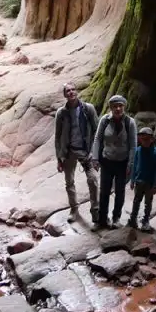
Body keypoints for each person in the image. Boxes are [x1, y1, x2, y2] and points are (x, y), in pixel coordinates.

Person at [53, 82, 99, 223]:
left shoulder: (88, 109)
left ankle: (95, 210)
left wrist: (95, 153)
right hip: (69, 151)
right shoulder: (61, 113)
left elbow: (97, 131)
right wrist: (59, 158)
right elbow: (58, 136)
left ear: (77, 91)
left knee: (93, 180)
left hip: (85, 151)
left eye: (73, 89)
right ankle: (74, 209)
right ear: (65, 94)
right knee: (69, 182)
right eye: (68, 91)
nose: (71, 92)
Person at [90, 94, 137, 229]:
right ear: (110, 107)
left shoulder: (130, 123)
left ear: (124, 107)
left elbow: (133, 145)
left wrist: (131, 164)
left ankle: (116, 218)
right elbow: (98, 139)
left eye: (120, 106)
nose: (117, 109)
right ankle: (102, 219)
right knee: (104, 191)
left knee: (120, 191)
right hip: (107, 161)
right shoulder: (104, 120)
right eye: (115, 106)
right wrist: (95, 157)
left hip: (122, 162)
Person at [127, 126, 156, 232]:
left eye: (147, 139)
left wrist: (155, 185)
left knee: (148, 203)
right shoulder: (138, 150)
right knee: (136, 201)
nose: (144, 141)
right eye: (142, 139)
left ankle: (145, 221)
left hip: (149, 184)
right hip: (138, 181)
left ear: (152, 139)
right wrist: (132, 180)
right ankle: (133, 219)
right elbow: (134, 165)